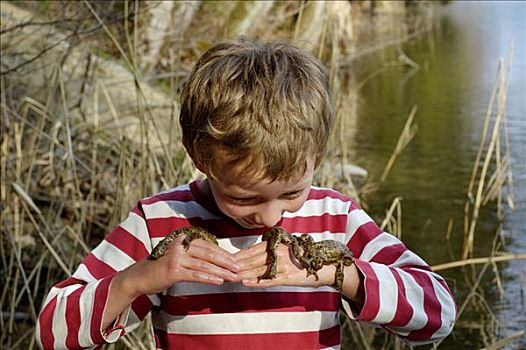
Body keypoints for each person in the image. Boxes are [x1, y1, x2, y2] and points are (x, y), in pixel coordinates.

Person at [36, 38, 456, 350]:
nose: (272, 218)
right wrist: (141, 279)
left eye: (291, 192)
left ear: (319, 153)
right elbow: (53, 331)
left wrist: (336, 273)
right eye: (245, 198)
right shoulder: (162, 221)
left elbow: (437, 313)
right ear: (201, 158)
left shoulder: (336, 218)